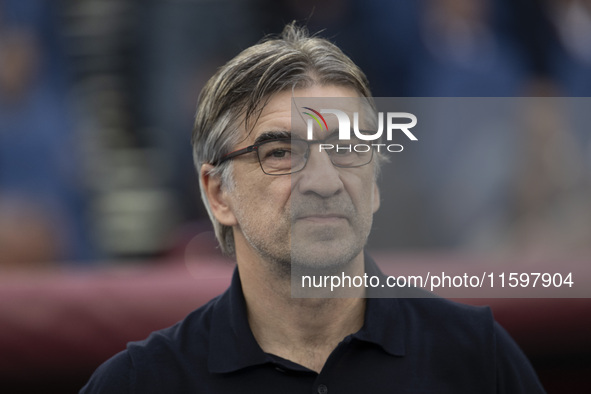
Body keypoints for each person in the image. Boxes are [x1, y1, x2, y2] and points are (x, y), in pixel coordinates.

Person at [80, 23, 545, 393]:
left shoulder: (476, 358)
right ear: (219, 194)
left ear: (375, 183)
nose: (323, 182)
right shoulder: (142, 381)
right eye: (280, 152)